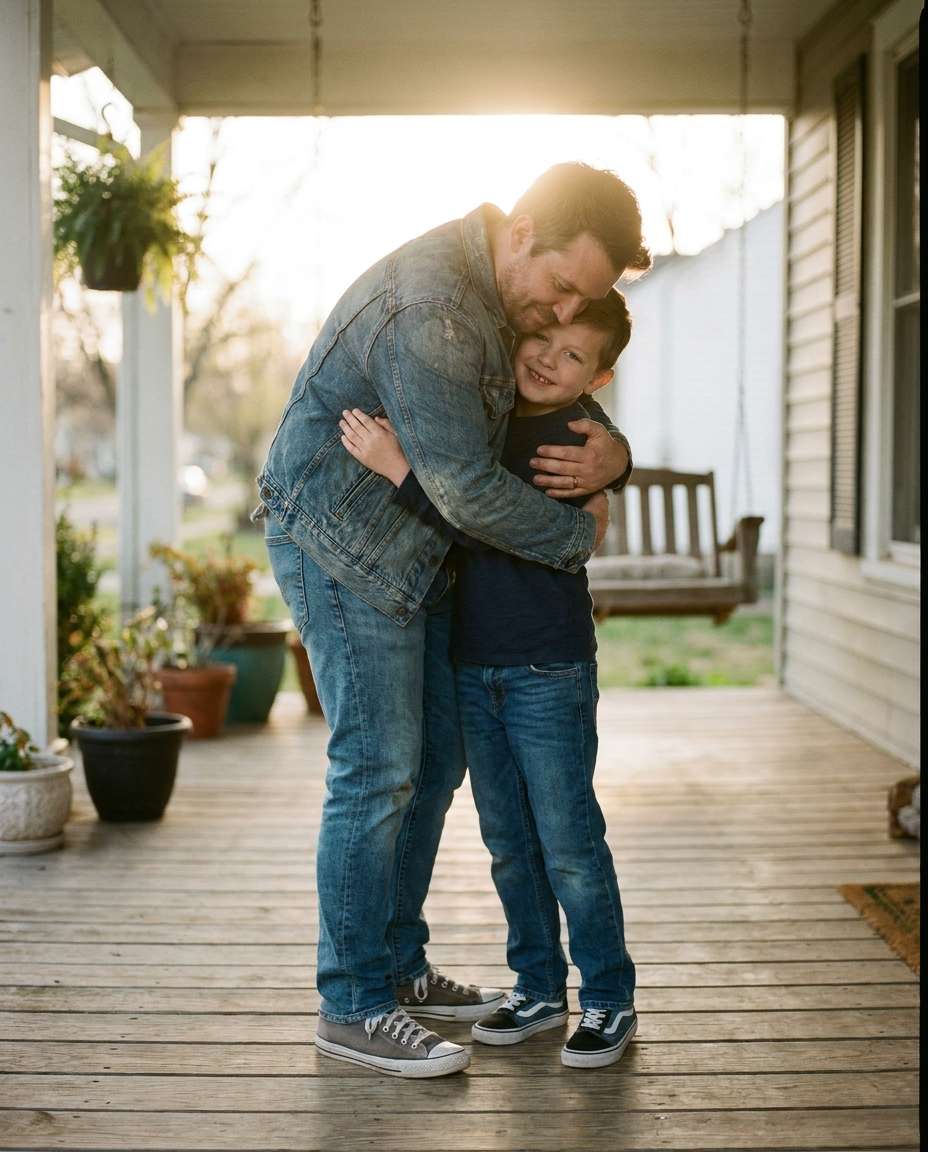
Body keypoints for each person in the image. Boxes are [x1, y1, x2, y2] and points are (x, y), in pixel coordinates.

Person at [254, 162, 650, 1077]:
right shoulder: (434, 312)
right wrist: (570, 536)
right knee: (380, 769)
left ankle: (395, 966)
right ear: (521, 232)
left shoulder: (505, 298)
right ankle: (352, 1002)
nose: (558, 318)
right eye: (558, 290)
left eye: (581, 304)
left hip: (423, 553)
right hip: (346, 543)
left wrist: (614, 457)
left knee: (433, 767)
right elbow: (468, 490)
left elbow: (540, 424)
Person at [339, 290, 637, 1070]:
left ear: (596, 379)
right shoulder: (488, 415)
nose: (547, 357)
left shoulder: (574, 439)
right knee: (508, 841)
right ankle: (539, 987)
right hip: (475, 666)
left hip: (547, 666)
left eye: (573, 355)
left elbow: (482, 522)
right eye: (542, 336)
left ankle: (608, 996)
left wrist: (397, 467)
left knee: (569, 840)